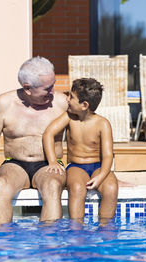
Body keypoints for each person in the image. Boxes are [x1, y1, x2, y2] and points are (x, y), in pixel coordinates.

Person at [0, 56, 68, 226]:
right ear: (27, 88)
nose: (52, 92)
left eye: (53, 85)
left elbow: (82, 138)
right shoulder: (4, 103)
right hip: (15, 165)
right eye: (47, 89)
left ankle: (50, 246)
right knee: (2, 185)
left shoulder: (61, 103)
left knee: (52, 186)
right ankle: (0, 243)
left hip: (50, 165)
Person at [43, 78, 118, 224]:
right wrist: (52, 161)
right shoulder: (69, 117)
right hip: (76, 166)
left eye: (71, 97)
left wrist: (102, 176)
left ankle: (106, 228)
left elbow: (108, 155)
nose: (68, 99)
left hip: (98, 166)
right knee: (77, 188)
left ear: (84, 105)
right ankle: (76, 228)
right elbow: (48, 134)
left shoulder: (103, 124)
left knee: (111, 188)